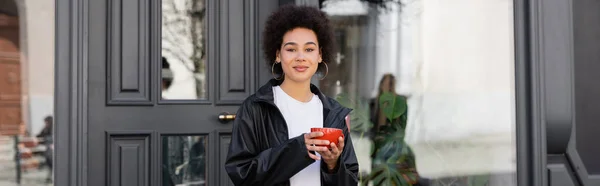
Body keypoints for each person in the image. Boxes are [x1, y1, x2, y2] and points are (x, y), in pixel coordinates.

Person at [224, 5, 359, 186]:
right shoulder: (255, 108)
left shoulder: (334, 113)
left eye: (309, 49)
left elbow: (350, 181)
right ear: (278, 55)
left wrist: (333, 164)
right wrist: (298, 149)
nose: (301, 57)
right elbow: (242, 174)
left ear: (320, 55)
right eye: (291, 49)